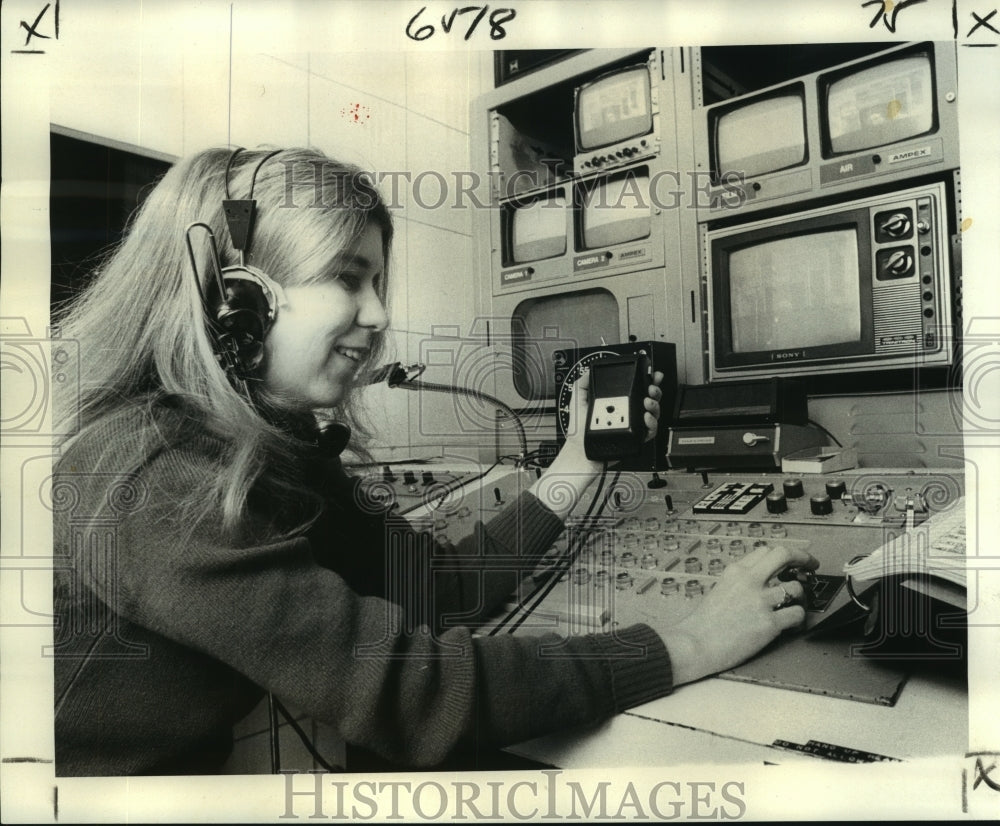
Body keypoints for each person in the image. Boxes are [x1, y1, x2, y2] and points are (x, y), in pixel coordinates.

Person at [51, 146, 817, 776]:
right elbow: (413, 696)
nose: (380, 315)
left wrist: (574, 465)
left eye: (377, 282)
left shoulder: (269, 453)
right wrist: (689, 643)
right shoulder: (148, 470)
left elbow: (430, 591)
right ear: (237, 298)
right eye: (349, 277)